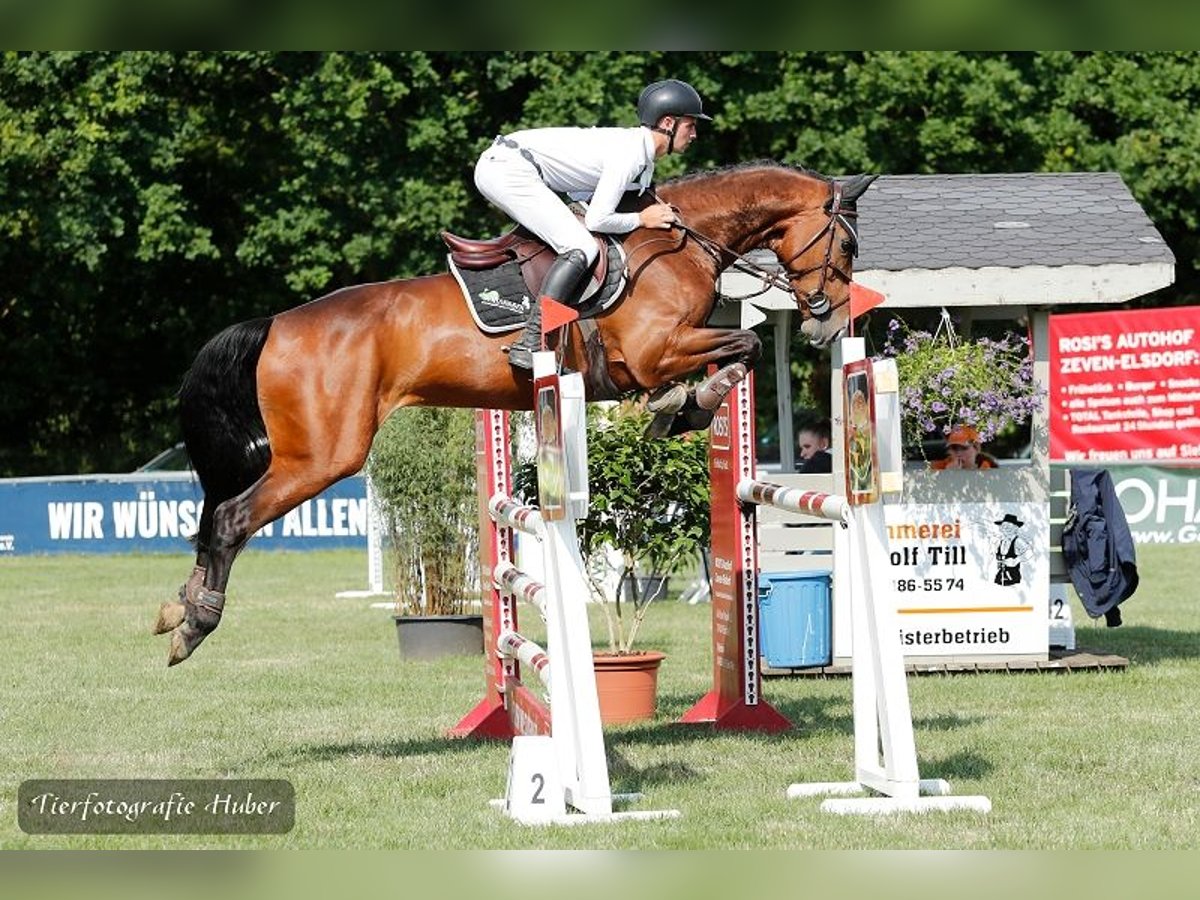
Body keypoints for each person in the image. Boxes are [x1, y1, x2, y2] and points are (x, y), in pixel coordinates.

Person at [474, 79, 711, 369]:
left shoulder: (643, 161)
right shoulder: (630, 154)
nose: (695, 134)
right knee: (581, 246)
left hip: (516, 166)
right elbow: (598, 218)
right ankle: (531, 340)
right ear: (668, 123)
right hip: (507, 169)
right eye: (691, 125)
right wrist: (641, 218)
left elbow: (592, 200)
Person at [930, 424, 998, 470]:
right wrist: (948, 474)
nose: (959, 453)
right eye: (954, 448)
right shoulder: (936, 468)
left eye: (964, 448)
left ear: (976, 449)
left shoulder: (988, 469)